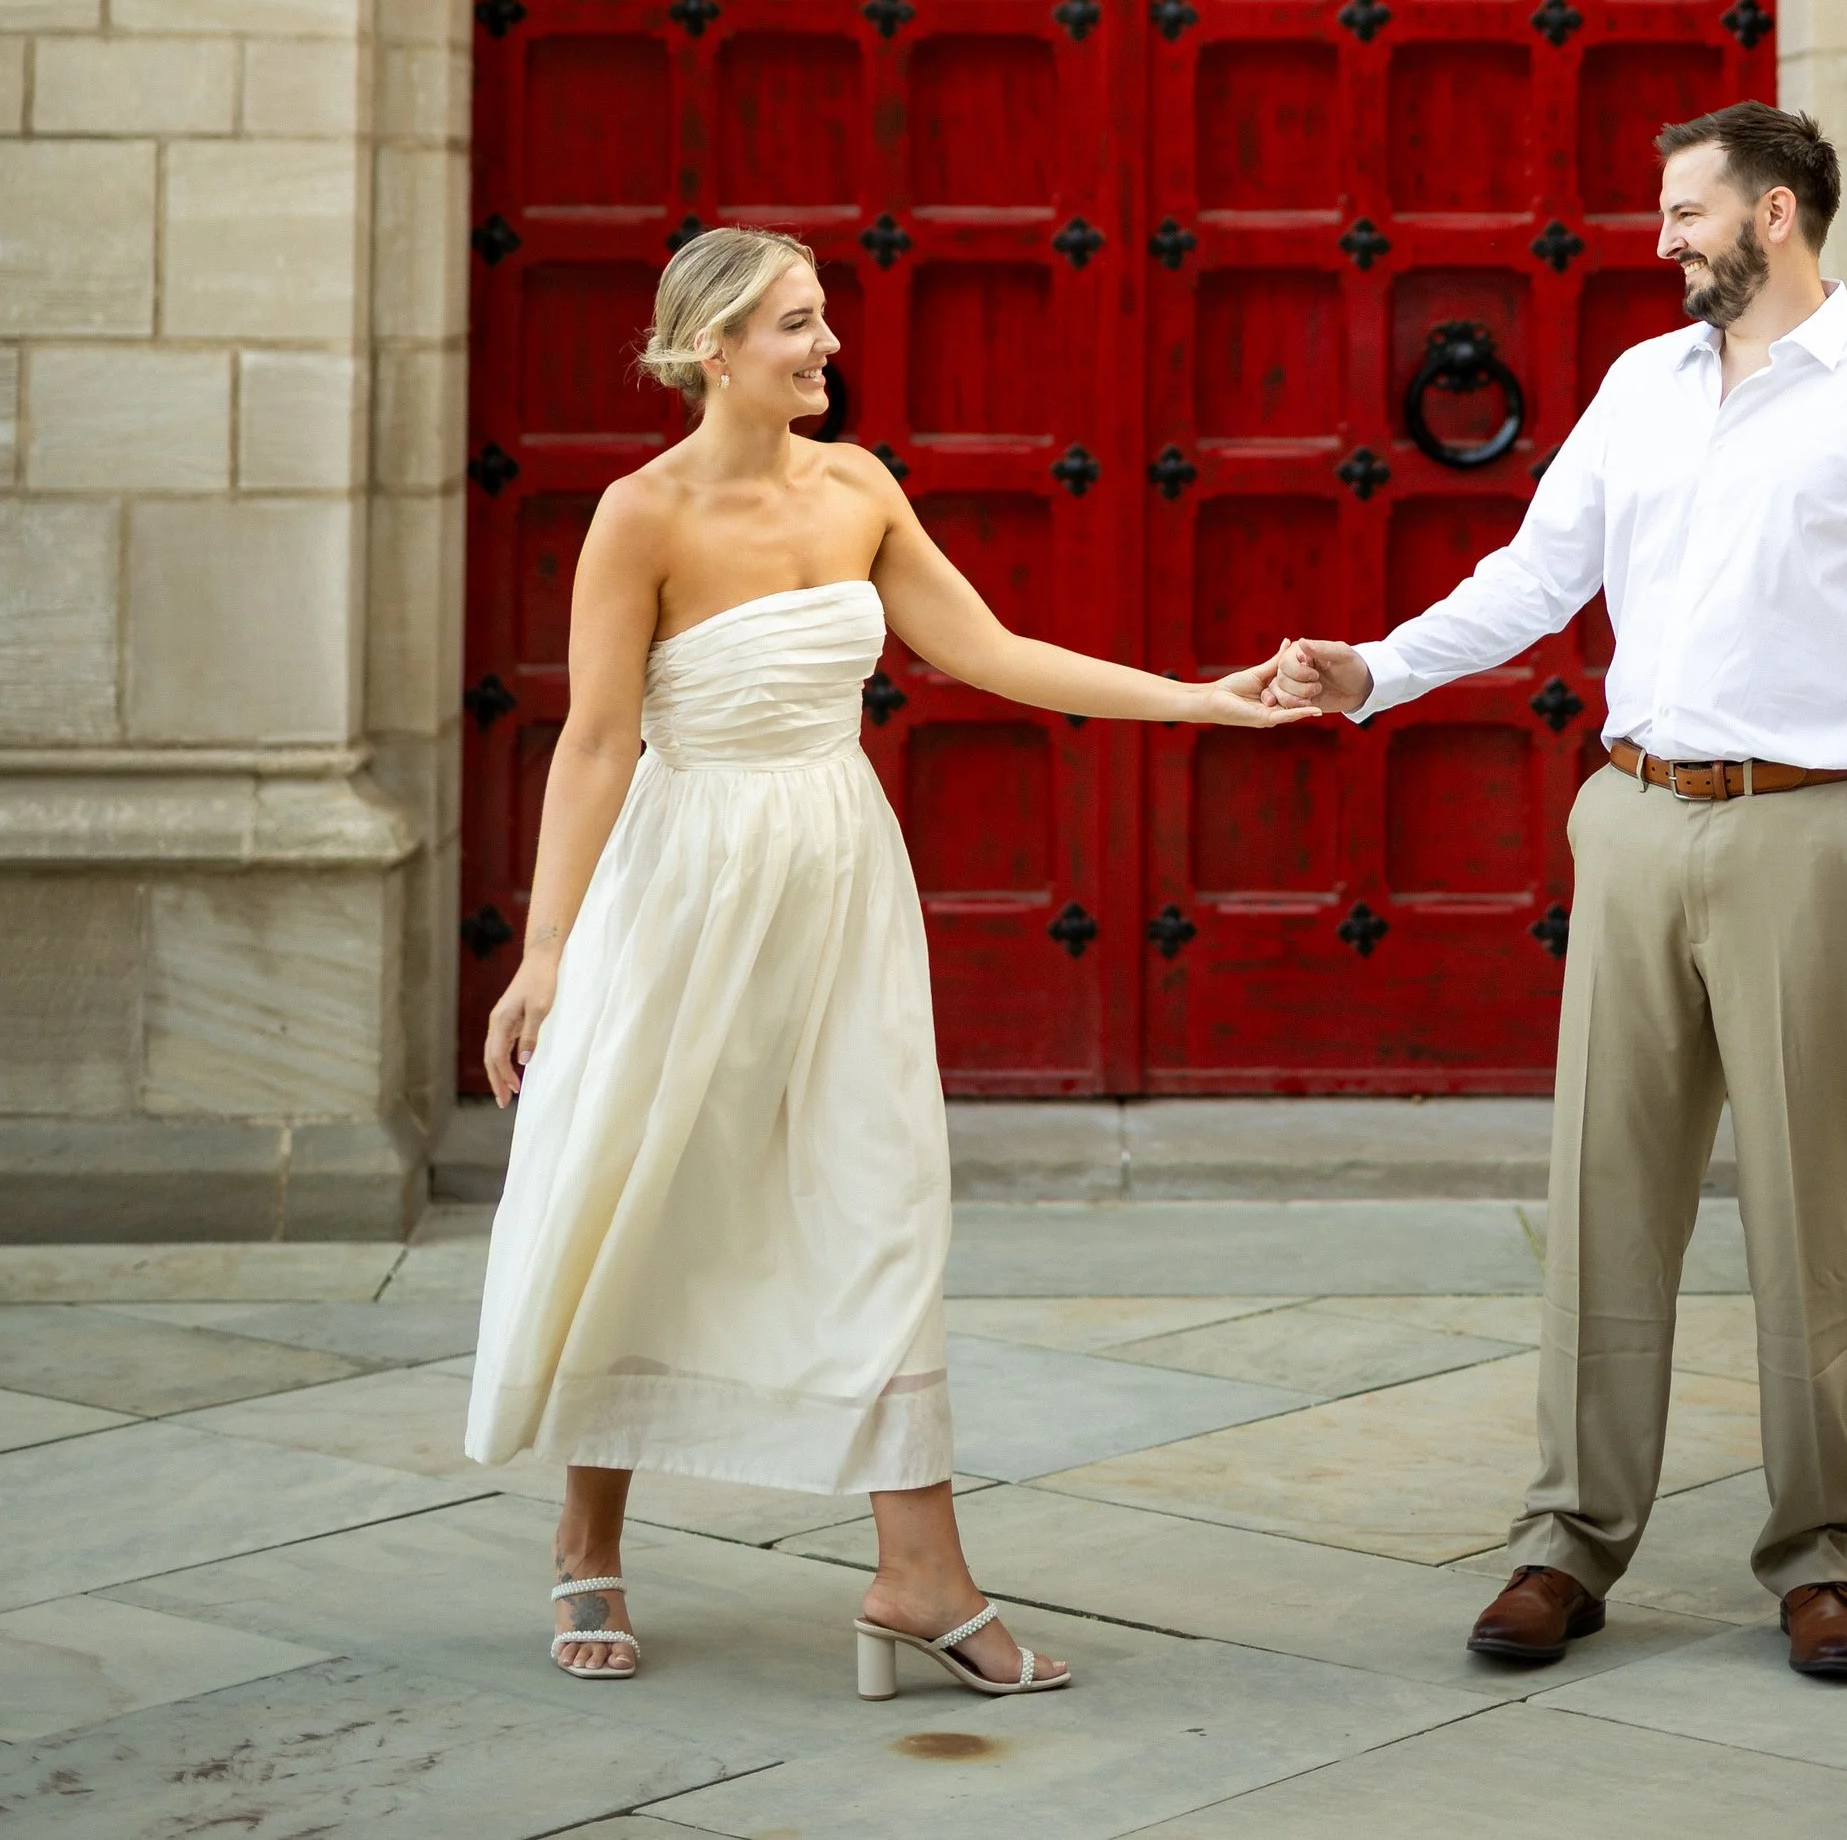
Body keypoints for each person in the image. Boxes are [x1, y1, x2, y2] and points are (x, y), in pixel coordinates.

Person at [466, 222, 1312, 1695]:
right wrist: (546, 951)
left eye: (824, 316)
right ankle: (586, 1530)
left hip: (839, 878)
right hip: (682, 887)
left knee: (876, 1195)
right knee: (647, 1184)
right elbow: (597, 740)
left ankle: (918, 1569)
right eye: (797, 323)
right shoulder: (638, 517)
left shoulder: (859, 485)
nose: (829, 343)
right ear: (713, 347)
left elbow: (989, 649)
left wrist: (1208, 703)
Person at [1275, 103, 1847, 1687]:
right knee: (1607, 1197)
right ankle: (1567, 1536)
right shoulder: (1640, 384)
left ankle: (1819, 1555)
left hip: (1817, 834)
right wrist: (1373, 672)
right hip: (1630, 814)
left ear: (1775, 217)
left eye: (1687, 209)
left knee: (1811, 1212)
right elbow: (1536, 580)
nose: (1660, 236)